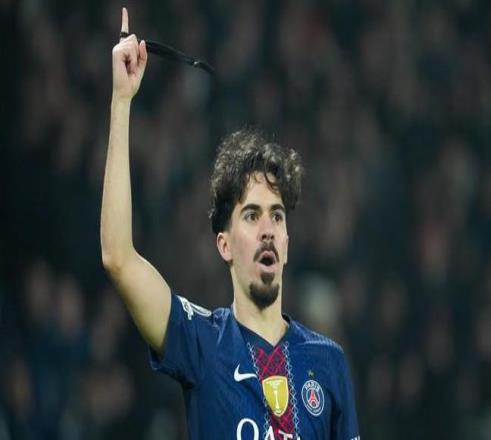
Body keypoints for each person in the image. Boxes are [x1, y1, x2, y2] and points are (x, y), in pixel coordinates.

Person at [101, 8, 360, 440]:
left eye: (277, 215)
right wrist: (122, 101)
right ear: (224, 244)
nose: (267, 229)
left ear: (287, 242)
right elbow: (118, 258)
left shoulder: (328, 362)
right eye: (252, 215)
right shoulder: (202, 342)